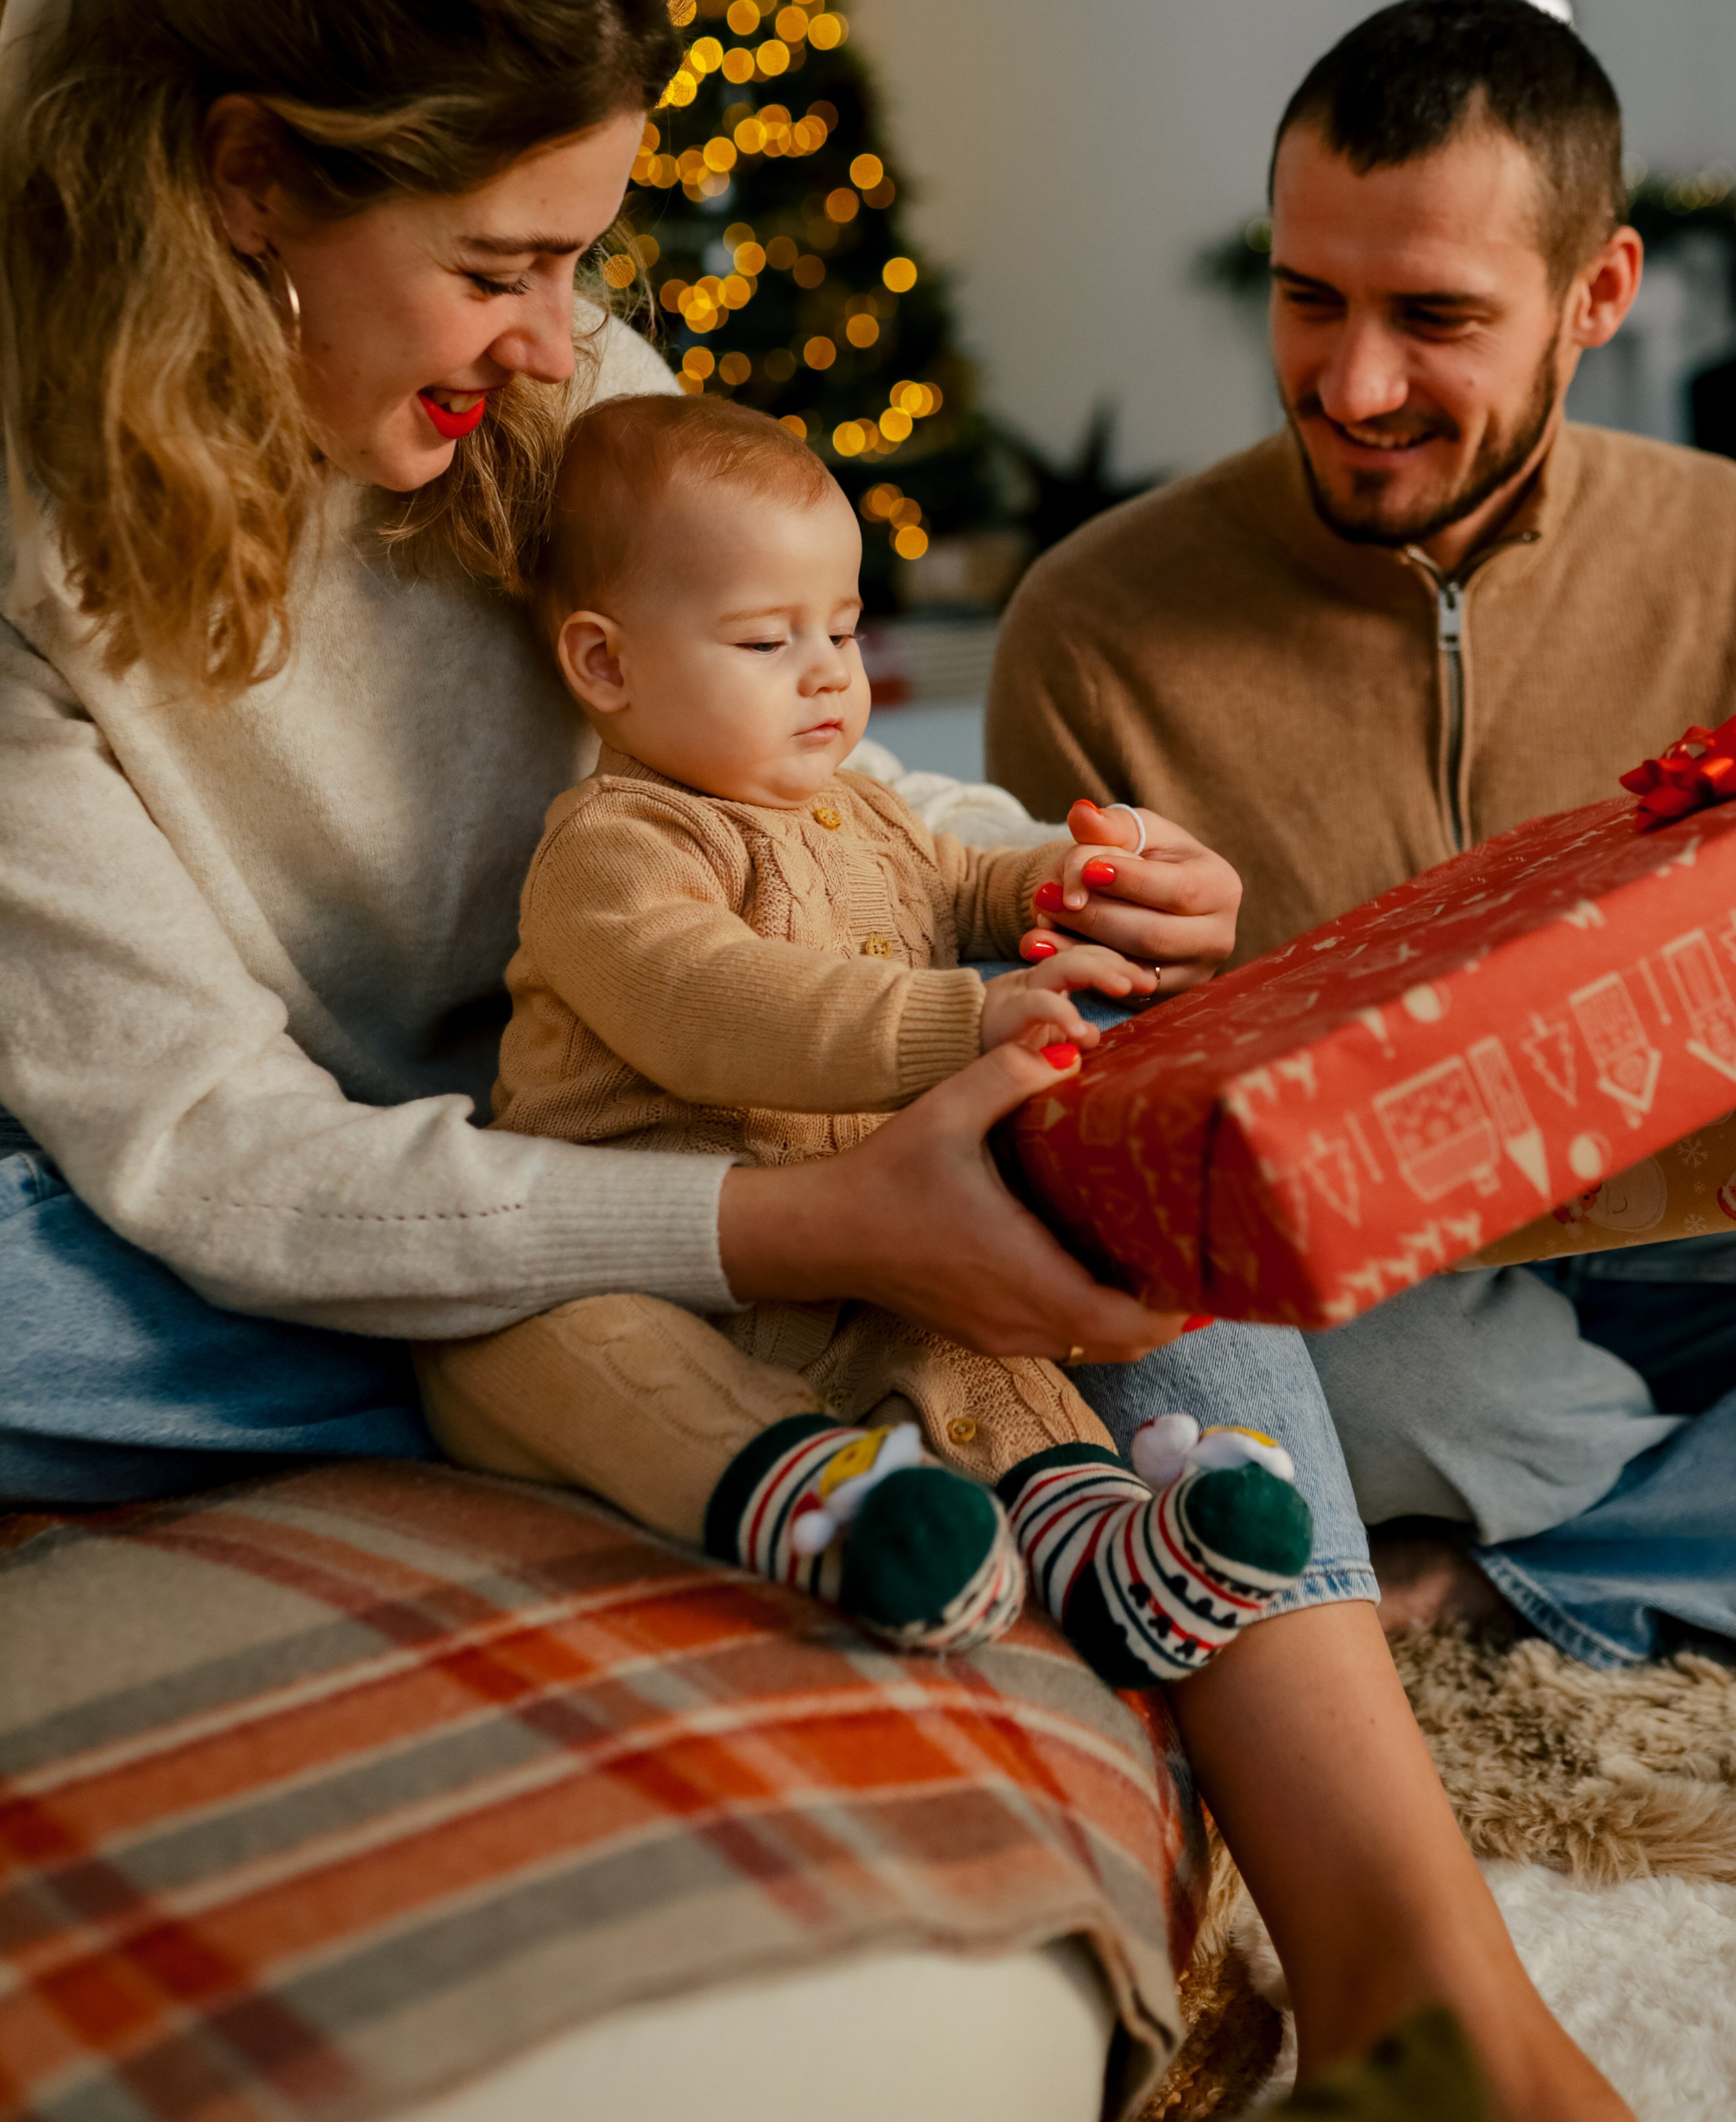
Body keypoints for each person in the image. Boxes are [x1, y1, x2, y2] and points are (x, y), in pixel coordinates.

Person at [0, 0, 1621, 2114]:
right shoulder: (30, 557)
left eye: (587, 258)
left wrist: (1028, 866)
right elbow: (219, 1163)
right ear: (247, 176)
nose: (564, 335)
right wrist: (793, 1228)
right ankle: (696, 1378)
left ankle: (1428, 1999)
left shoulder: (551, 387)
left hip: (643, 1084)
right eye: (500, 265)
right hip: (277, 1205)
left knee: (1104, 1112)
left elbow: (782, 741)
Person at [989, 0, 1736, 1680]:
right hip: (1389, 1328)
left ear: (1594, 297)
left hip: (1722, 1233)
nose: (1351, 383)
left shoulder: (1732, 543)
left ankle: (1506, 1572)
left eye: (1432, 316)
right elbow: (1072, 1148)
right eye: (1305, 299)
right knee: (1309, 1387)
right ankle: (1685, 1532)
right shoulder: (1095, 623)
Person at [416, 390, 1313, 1676]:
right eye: (768, 639)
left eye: (840, 625)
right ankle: (835, 1505)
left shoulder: (855, 807)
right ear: (605, 664)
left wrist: (1056, 883)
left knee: (968, 1350)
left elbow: (955, 880)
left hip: (856, 1259)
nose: (832, 669)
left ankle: (1100, 1539)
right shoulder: (614, 846)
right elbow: (710, 1000)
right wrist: (965, 1015)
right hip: (650, 1263)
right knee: (550, 1352)